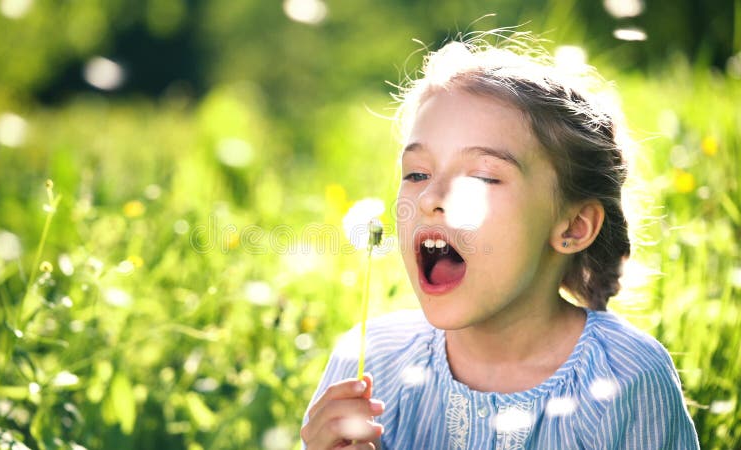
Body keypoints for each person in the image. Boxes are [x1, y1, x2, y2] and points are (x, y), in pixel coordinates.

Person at [300, 33, 700, 450]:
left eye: (481, 178)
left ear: (573, 226)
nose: (431, 199)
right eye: (417, 174)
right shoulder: (369, 365)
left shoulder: (625, 377)